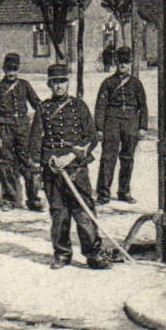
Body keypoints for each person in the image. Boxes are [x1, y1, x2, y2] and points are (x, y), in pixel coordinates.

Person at [28, 61, 110, 269]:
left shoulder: (79, 107)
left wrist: (71, 156)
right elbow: (35, 140)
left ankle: (93, 253)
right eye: (55, 82)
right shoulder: (43, 109)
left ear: (68, 83)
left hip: (76, 168)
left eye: (62, 82)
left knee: (83, 211)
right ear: (49, 84)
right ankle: (62, 254)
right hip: (53, 171)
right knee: (59, 213)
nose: (59, 86)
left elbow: (91, 138)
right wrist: (43, 163)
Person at [0, 52, 44, 212]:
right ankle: (9, 200)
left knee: (28, 163)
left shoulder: (24, 85)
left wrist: (42, 123)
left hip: (23, 130)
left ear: (18, 70)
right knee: (6, 164)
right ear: (4, 70)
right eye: (8, 70)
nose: (11, 73)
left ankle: (33, 199)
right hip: (4, 129)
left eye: (14, 70)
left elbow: (38, 105)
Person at [93, 47, 148, 204]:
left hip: (130, 122)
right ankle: (103, 193)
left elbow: (143, 106)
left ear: (130, 63)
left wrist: (142, 127)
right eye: (120, 62)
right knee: (108, 157)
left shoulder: (136, 84)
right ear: (116, 63)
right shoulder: (108, 83)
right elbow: (100, 106)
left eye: (125, 62)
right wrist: (99, 127)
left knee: (127, 158)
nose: (122, 65)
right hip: (112, 121)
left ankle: (124, 191)